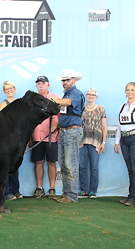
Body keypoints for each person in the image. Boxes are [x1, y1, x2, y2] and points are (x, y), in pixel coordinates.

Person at [52, 69, 84, 203]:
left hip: (72, 131)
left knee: (71, 164)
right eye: (63, 80)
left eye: (67, 80)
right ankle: (66, 193)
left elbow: (69, 103)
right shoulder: (66, 95)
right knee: (64, 164)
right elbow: (66, 113)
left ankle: (71, 196)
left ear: (74, 81)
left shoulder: (75, 93)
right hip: (65, 131)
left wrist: (54, 100)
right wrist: (56, 125)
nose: (64, 83)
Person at [114, 82, 135, 206]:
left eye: (132, 90)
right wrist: (116, 142)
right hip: (124, 139)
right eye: (128, 90)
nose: (130, 92)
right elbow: (119, 126)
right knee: (130, 170)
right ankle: (131, 196)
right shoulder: (122, 107)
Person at [31, 76, 61, 199]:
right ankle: (39, 188)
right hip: (37, 136)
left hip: (51, 136)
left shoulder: (57, 98)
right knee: (38, 162)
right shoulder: (32, 100)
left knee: (51, 162)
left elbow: (61, 116)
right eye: (38, 84)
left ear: (48, 85)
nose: (40, 86)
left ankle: (52, 188)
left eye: (43, 83)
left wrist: (57, 128)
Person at [78, 88, 107, 199]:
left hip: (96, 142)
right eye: (88, 94)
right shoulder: (81, 108)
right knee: (82, 166)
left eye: (93, 94)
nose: (90, 96)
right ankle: (84, 190)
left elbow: (104, 127)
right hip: (82, 141)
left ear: (96, 96)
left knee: (94, 167)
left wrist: (103, 142)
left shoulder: (101, 109)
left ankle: (93, 191)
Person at [0, 81, 23, 200]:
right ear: (4, 91)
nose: (9, 90)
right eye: (7, 89)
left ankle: (16, 190)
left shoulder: (20, 104)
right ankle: (7, 191)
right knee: (6, 165)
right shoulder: (4, 104)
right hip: (7, 139)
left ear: (15, 89)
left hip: (17, 139)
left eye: (11, 88)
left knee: (15, 165)